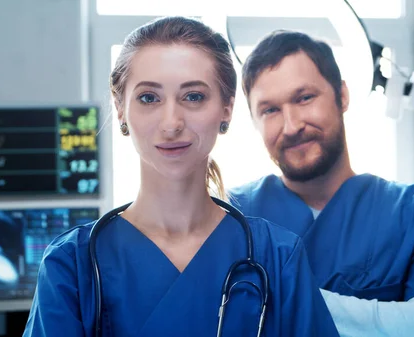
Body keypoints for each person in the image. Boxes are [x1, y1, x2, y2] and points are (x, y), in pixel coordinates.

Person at [23, 18, 340, 337]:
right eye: (149, 98)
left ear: (227, 108)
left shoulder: (278, 257)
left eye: (193, 97)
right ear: (120, 107)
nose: (172, 123)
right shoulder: (71, 264)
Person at [229, 30, 414, 337]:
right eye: (270, 110)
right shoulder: (230, 215)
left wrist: (277, 299)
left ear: (342, 95)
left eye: (305, 98)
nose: (292, 126)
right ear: (254, 121)